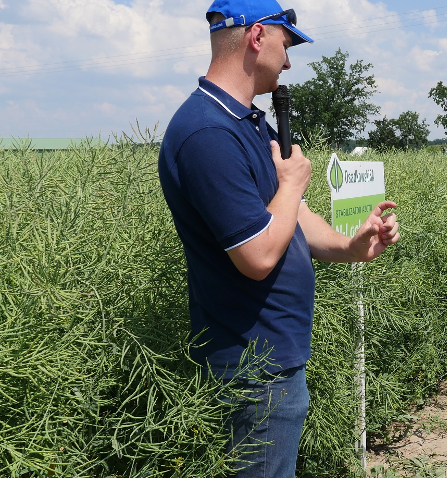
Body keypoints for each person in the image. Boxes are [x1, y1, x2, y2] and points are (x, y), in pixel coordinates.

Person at [157, 2, 400, 476]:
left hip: (274, 358)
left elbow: (294, 219)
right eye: (285, 45)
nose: (288, 62)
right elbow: (257, 255)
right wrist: (291, 183)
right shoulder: (207, 133)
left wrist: (352, 246)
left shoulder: (245, 122)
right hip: (252, 366)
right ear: (257, 37)